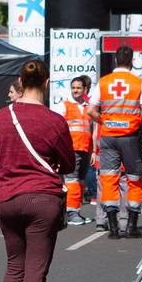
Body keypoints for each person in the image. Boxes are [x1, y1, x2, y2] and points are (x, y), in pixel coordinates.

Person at [0, 59, 75, 282]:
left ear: (20, 81)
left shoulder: (4, 116)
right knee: (35, 270)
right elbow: (68, 163)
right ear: (46, 83)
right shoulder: (54, 121)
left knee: (14, 266)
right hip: (42, 198)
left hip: (7, 198)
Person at [89, 45, 142, 238]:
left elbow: (90, 110)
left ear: (115, 60)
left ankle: (112, 227)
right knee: (134, 178)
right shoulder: (139, 83)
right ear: (132, 62)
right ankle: (131, 226)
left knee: (108, 178)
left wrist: (104, 121)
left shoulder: (103, 82)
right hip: (130, 138)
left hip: (108, 137)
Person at [60, 74, 95, 226]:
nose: (75, 90)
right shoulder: (64, 106)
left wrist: (93, 151)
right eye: (73, 88)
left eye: (78, 88)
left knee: (80, 181)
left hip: (85, 149)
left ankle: (76, 211)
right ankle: (71, 212)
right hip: (71, 148)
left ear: (84, 89)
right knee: (72, 180)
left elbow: (92, 130)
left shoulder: (88, 108)